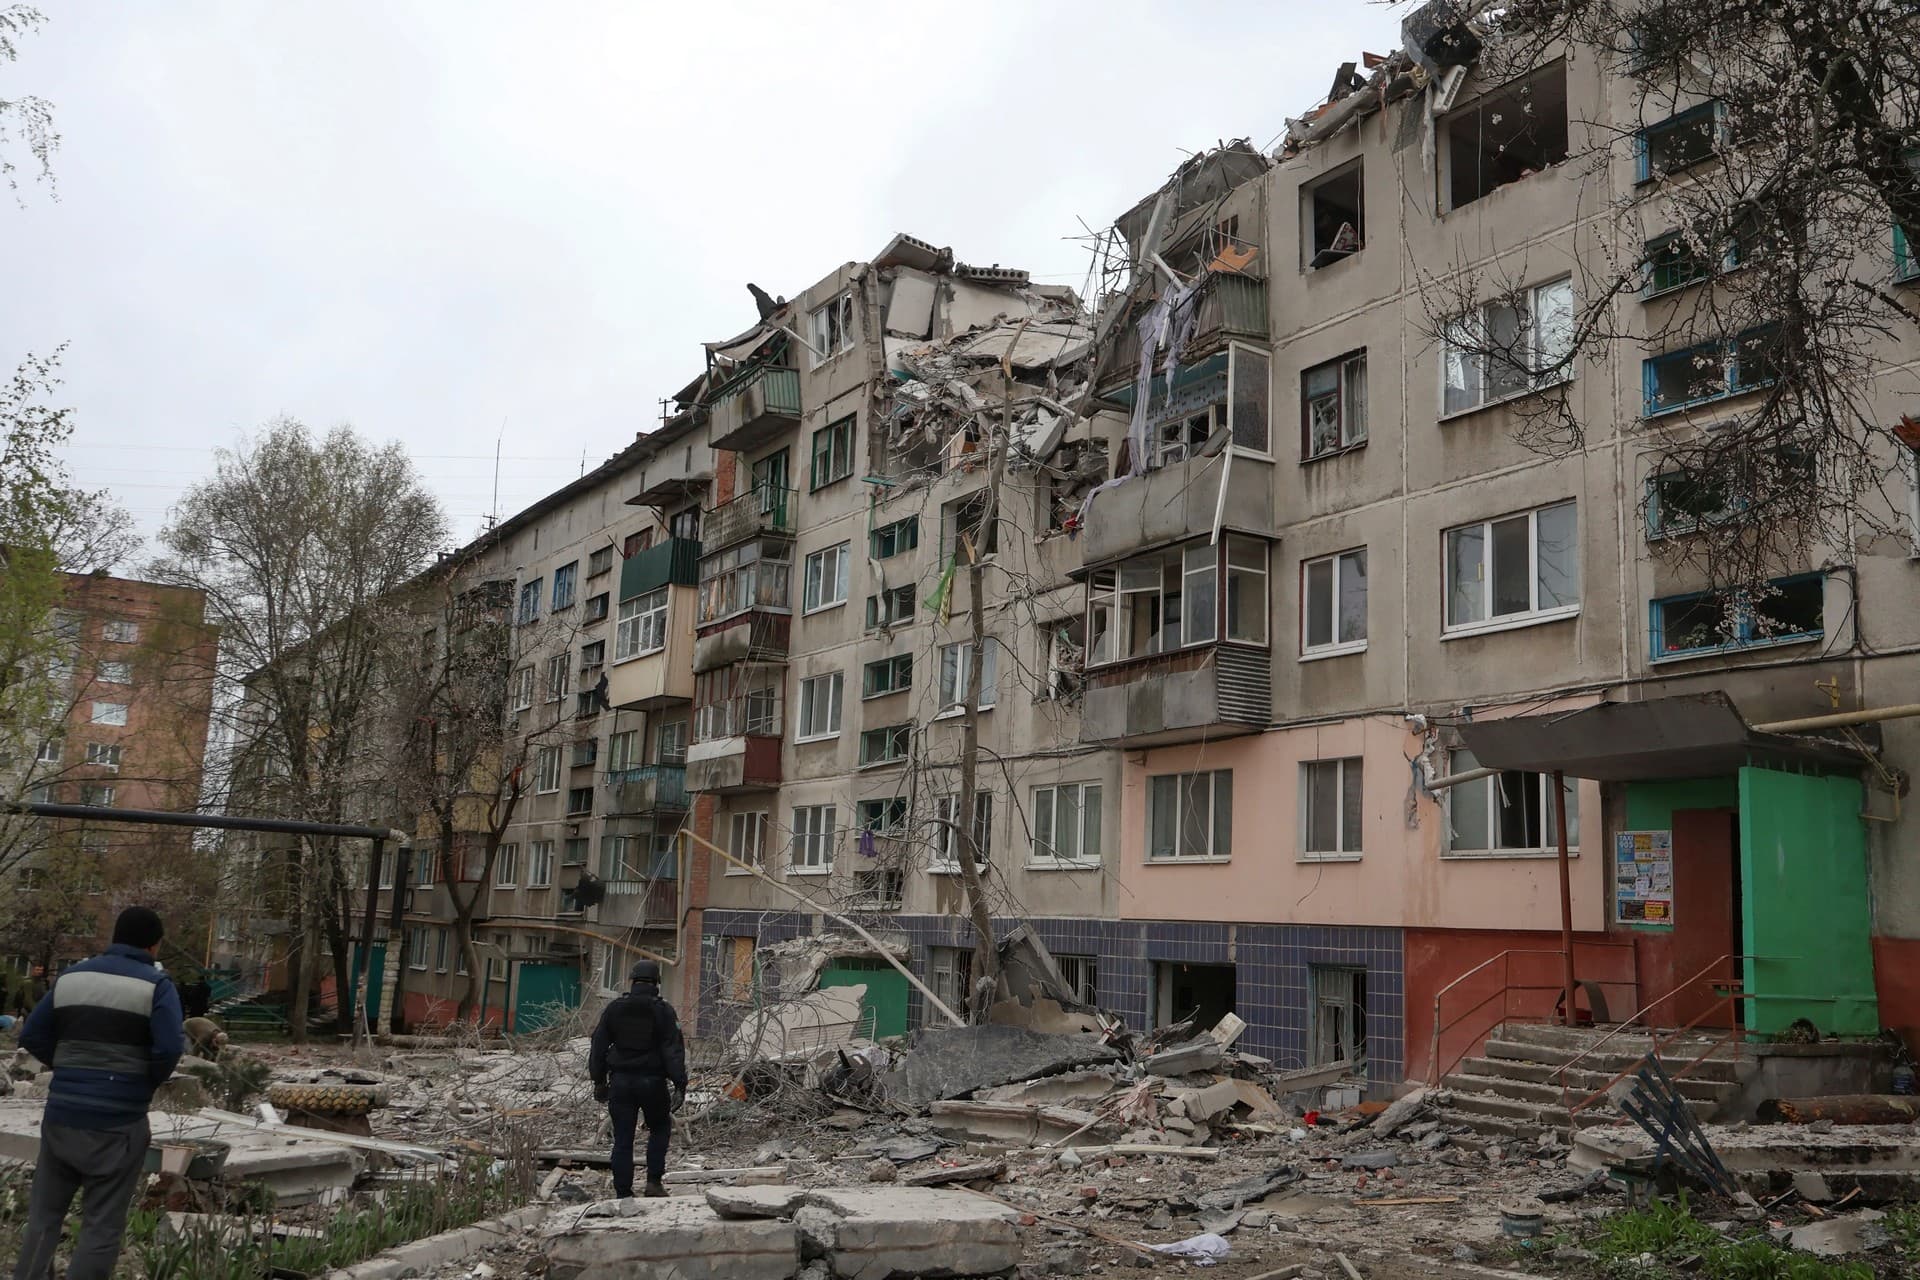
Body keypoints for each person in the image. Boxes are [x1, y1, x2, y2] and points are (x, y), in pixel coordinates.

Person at [12, 907, 185, 1280]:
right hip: (118, 1124)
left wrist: (69, 1069)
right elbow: (170, 1048)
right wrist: (141, 1084)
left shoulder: (72, 978)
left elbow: (31, 1035)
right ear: (154, 946)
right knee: (101, 1224)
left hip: (62, 1116)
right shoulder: (157, 986)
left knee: (44, 1218)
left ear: (115, 937)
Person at [588, 959, 686, 1199]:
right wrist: (680, 1084)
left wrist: (598, 1081)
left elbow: (598, 1046)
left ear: (632, 981)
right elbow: (673, 1051)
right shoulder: (664, 1011)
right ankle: (653, 1183)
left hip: (621, 1082)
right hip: (652, 1083)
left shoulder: (615, 1009)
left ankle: (623, 1192)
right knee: (660, 1128)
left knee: (623, 1138)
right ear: (657, 984)